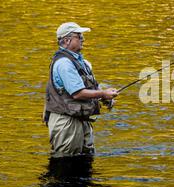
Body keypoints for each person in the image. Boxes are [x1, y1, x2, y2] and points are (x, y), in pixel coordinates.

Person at [43, 22, 118, 158]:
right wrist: (103, 93)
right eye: (79, 36)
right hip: (66, 122)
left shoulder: (82, 62)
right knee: (65, 165)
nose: (83, 38)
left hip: (81, 119)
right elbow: (78, 93)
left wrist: (104, 97)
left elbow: (91, 87)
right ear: (67, 40)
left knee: (84, 162)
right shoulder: (64, 64)